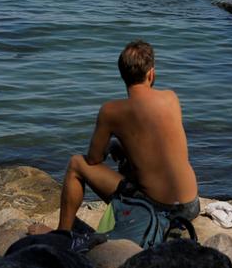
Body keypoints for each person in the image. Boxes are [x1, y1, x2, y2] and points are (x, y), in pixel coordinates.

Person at [51, 40, 200, 233]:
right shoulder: (171, 98)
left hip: (158, 210)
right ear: (151, 73)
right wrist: (118, 147)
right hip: (191, 205)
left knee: (76, 164)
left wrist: (109, 146)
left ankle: (62, 234)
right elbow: (155, 148)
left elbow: (93, 159)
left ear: (122, 75)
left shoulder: (111, 111)